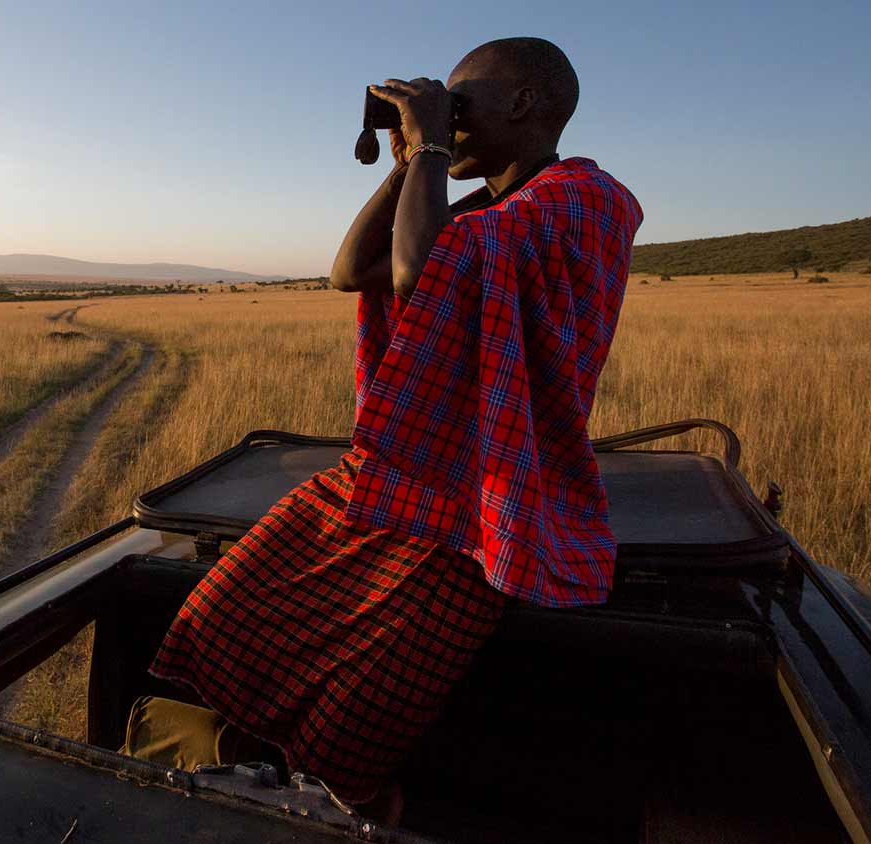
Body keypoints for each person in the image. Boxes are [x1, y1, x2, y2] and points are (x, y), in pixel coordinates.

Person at [122, 37, 643, 826]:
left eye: (461, 101)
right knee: (217, 620)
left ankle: (364, 809)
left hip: (486, 511)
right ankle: (257, 766)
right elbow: (352, 271)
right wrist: (408, 158)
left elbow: (419, 271)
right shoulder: (482, 209)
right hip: (402, 474)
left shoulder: (587, 197)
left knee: (351, 739)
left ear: (525, 104)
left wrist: (432, 143)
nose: (448, 118)